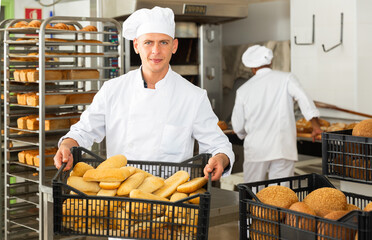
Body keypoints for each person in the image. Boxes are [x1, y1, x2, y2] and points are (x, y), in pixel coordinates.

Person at [53, 6, 234, 182]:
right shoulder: (113, 90)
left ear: (174, 46)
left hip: (170, 199)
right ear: (136, 45)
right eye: (148, 42)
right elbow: (84, 130)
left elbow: (218, 144)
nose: (156, 51)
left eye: (163, 42)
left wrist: (220, 158)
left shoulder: (193, 97)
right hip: (119, 196)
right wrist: (68, 145)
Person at [231, 45, 321, 184]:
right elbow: (304, 98)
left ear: (252, 68)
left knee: (252, 192)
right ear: (270, 62)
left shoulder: (243, 90)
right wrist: (316, 127)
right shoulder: (286, 78)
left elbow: (238, 126)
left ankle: (253, 206)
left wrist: (244, 135)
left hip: (256, 149)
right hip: (283, 146)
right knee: (281, 194)